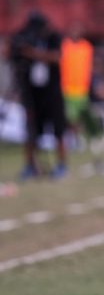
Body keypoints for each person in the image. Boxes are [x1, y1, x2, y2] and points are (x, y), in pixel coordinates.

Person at [9, 11, 68, 180]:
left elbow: (57, 57)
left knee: (58, 130)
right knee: (31, 131)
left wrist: (33, 53)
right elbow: (11, 56)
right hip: (32, 94)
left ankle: (61, 165)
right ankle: (30, 165)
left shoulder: (53, 38)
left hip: (52, 93)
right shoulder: (23, 38)